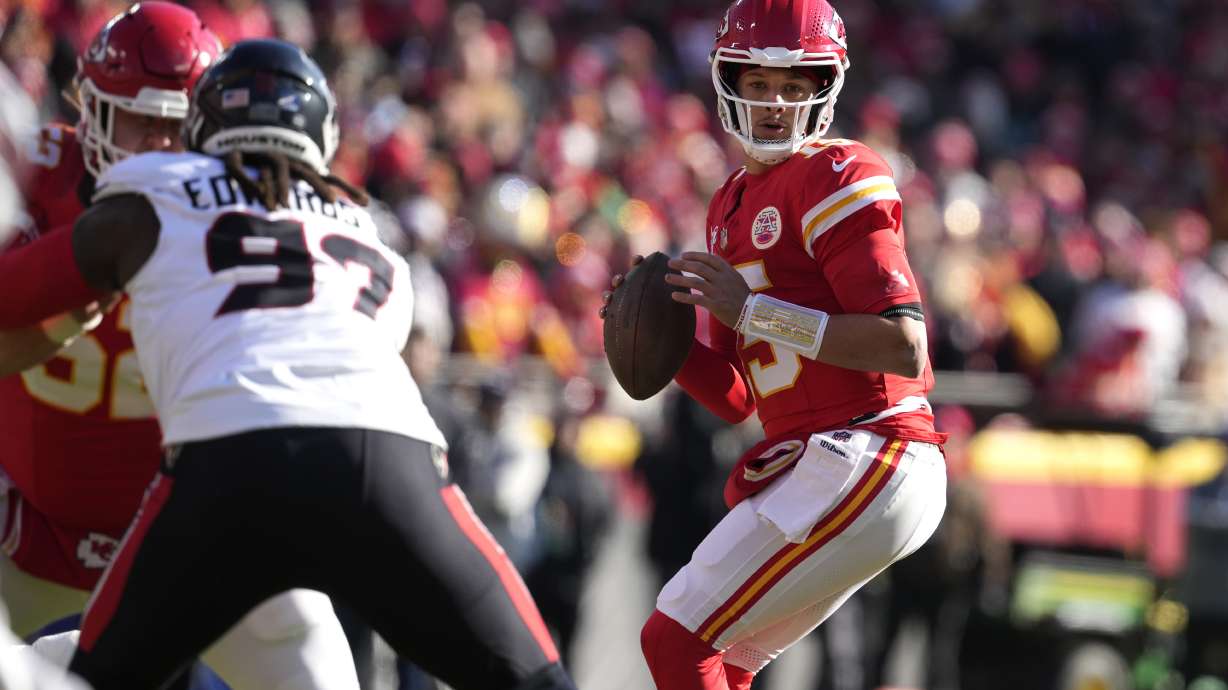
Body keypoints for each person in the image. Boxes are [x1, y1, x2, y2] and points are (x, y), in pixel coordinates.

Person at [0, 37, 576, 690]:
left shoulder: (154, 185)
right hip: (388, 460)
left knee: (94, 680)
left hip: (225, 459)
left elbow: (13, 294)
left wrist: (85, 301)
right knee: (534, 678)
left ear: (200, 126)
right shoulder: (364, 229)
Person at [0, 5, 359, 689]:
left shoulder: (253, 201)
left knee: (321, 673)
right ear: (94, 113)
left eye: (177, 123)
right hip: (30, 534)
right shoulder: (38, 174)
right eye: (143, 121)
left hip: (193, 535)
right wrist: (57, 319)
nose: (163, 147)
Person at [600, 2, 948, 688]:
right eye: (758, 83)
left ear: (825, 88)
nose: (775, 103)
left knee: (675, 638)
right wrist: (663, 346)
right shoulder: (727, 203)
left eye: (795, 85)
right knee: (718, 662)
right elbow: (738, 400)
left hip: (873, 448)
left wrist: (756, 312)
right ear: (728, 82)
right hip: (816, 460)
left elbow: (903, 346)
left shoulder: (840, 172)